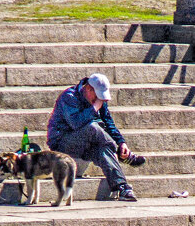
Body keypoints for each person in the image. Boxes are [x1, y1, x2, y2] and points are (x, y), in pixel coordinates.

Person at [46, 73, 145, 202]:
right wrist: (94, 108)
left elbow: (108, 122)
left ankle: (122, 187)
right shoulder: (69, 97)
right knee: (92, 127)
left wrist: (121, 143)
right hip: (62, 143)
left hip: (86, 144)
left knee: (103, 150)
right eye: (98, 96)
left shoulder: (98, 100)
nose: (100, 100)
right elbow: (75, 123)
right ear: (88, 89)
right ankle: (120, 155)